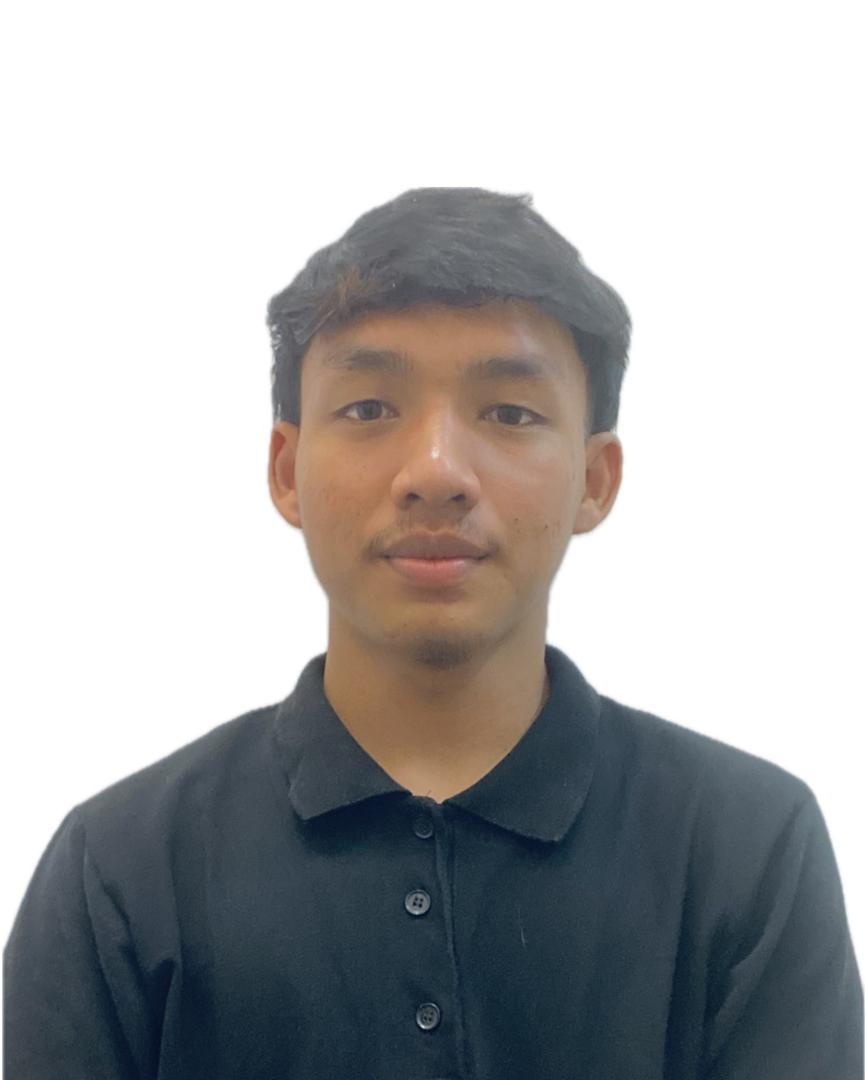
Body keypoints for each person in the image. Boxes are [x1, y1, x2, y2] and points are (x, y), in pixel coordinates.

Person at [4, 186, 862, 1079]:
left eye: (509, 413)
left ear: (595, 479)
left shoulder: (747, 851)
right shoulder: (120, 872)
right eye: (370, 409)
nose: (436, 471)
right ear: (286, 471)